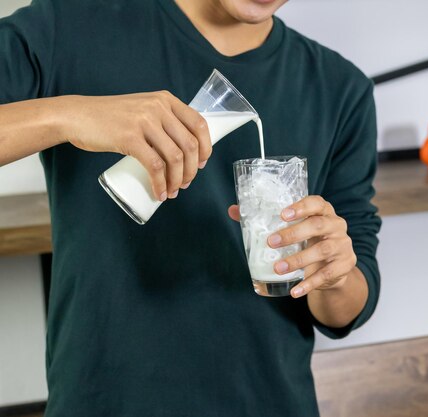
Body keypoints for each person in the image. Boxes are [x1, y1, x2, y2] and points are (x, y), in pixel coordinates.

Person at [0, 0, 381, 415]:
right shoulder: (72, 23)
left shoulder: (339, 87)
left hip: (267, 400)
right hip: (105, 400)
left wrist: (335, 274)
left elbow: (346, 308)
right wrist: (67, 115)